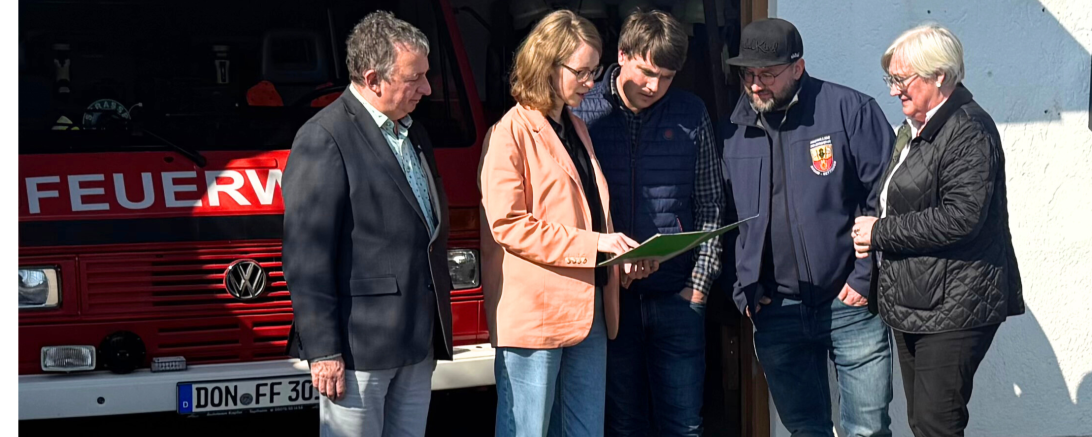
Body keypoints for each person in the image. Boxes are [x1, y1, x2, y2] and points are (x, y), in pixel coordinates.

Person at [479, 9, 656, 436]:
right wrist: (598, 245)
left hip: (589, 308)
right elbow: (509, 225)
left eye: (595, 71)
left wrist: (622, 258)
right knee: (527, 429)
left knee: (584, 430)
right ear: (546, 64)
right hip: (536, 318)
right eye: (582, 71)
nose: (592, 83)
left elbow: (589, 213)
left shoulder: (577, 127)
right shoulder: (509, 133)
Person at [720, 18, 895, 436]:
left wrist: (865, 276)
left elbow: (888, 197)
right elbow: (723, 216)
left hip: (851, 303)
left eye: (768, 74)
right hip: (776, 309)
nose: (756, 84)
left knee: (867, 430)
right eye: (749, 74)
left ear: (797, 68)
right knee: (805, 430)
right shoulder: (732, 130)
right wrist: (743, 285)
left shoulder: (849, 110)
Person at [281, 11, 453, 437]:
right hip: (358, 352)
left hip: (416, 341)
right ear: (374, 79)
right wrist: (323, 351)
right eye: (415, 78)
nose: (427, 89)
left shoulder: (413, 133)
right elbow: (307, 256)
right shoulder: (324, 137)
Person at [852, 24, 1024, 437]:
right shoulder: (914, 130)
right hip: (918, 300)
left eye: (901, 79)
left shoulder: (968, 129)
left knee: (936, 423)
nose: (893, 91)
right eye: (890, 79)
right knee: (923, 422)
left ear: (940, 76)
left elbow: (962, 216)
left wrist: (881, 233)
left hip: (955, 304)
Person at [570, 9, 724, 437]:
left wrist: (699, 287)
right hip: (609, 302)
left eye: (668, 77)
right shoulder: (583, 110)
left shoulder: (690, 112)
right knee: (623, 425)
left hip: (677, 297)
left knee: (684, 425)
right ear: (622, 54)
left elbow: (711, 202)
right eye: (646, 72)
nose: (654, 87)